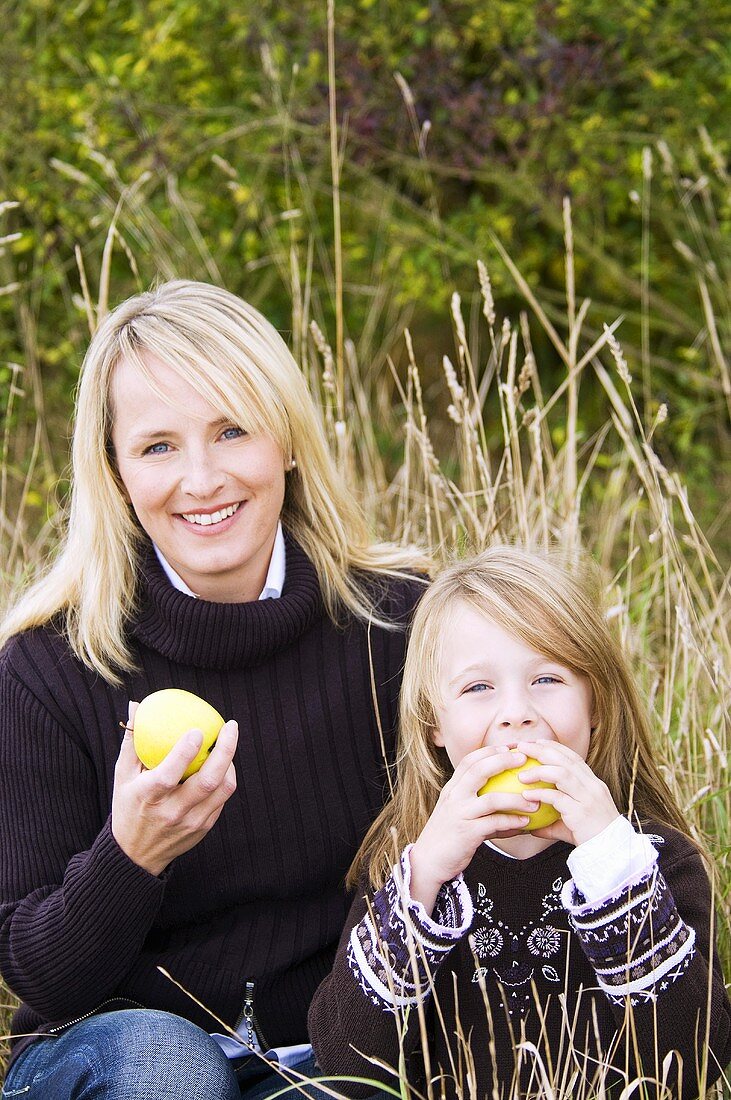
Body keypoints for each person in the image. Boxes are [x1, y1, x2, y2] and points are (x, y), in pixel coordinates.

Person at [0, 280, 428, 1100]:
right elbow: (37, 974)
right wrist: (132, 855)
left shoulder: (400, 626)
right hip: (115, 1052)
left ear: (288, 443)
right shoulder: (50, 668)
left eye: (231, 430)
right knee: (171, 1070)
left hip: (330, 1047)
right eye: (157, 447)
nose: (200, 479)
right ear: (117, 472)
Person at [309, 546, 731, 1100]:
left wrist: (612, 870)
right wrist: (423, 883)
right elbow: (342, 1064)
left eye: (547, 679)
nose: (516, 712)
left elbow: (701, 1063)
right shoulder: (409, 865)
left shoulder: (651, 862)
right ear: (434, 724)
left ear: (595, 707)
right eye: (478, 688)